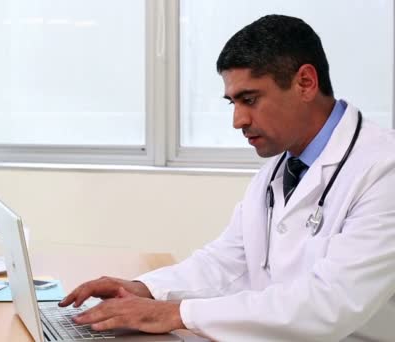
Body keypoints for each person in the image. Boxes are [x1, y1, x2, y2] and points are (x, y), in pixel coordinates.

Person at [58, 14, 395, 341]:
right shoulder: (279, 171)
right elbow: (225, 262)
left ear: (305, 82)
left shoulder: (383, 169)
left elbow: (330, 304)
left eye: (249, 99)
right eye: (232, 102)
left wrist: (176, 313)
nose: (237, 120)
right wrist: (144, 290)